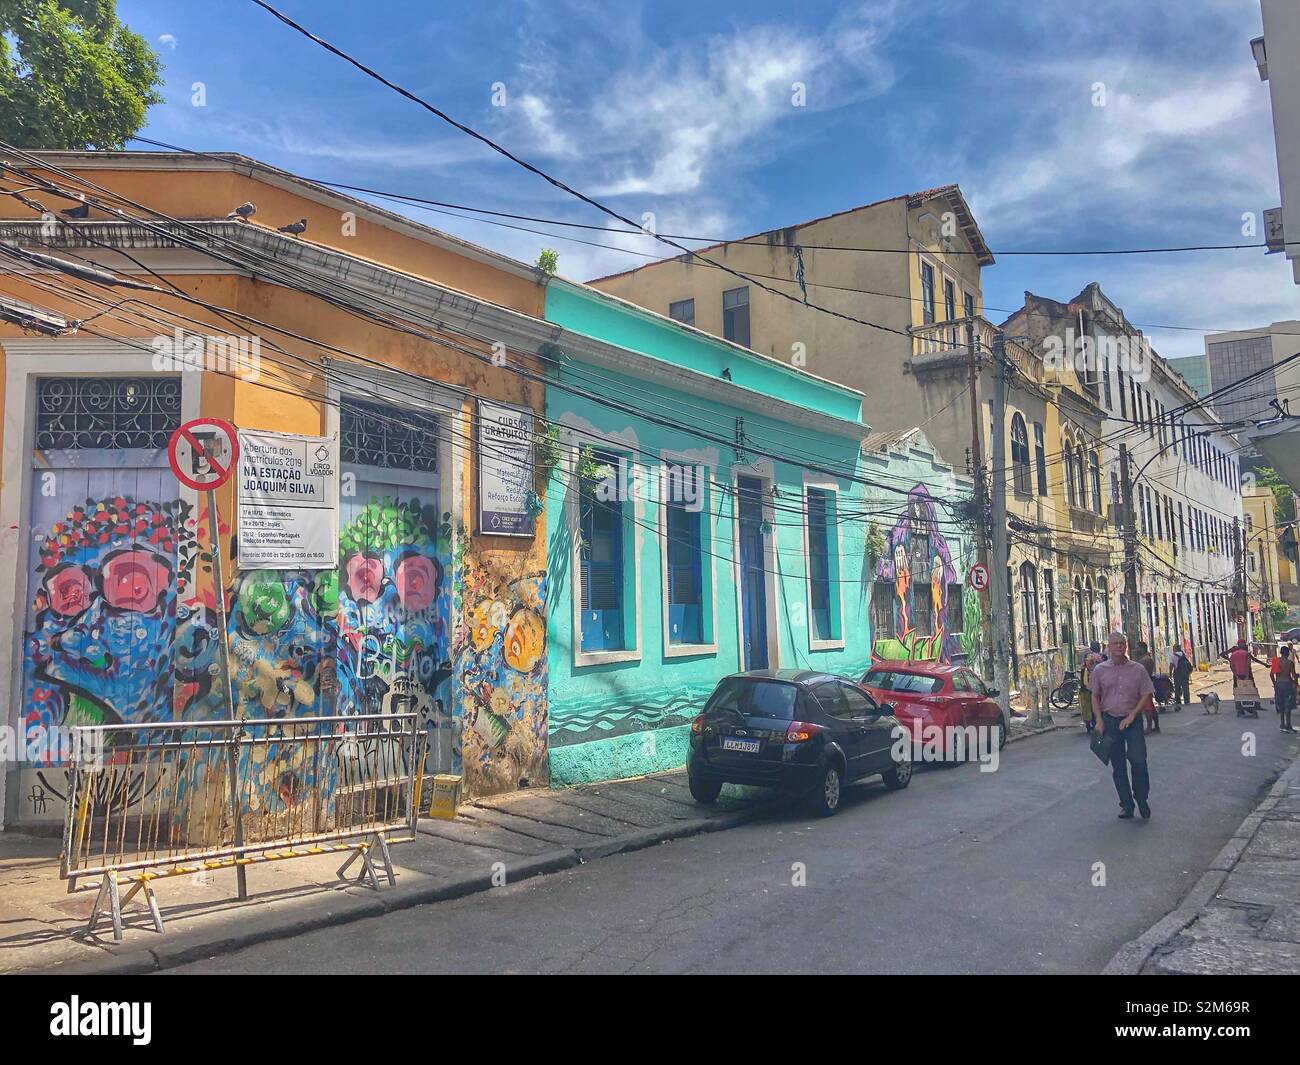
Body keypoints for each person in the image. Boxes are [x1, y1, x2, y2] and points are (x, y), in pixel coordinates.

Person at [1091, 631, 1155, 819]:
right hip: (1110, 722)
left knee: (1138, 761)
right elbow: (1094, 695)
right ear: (1109, 647)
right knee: (1118, 767)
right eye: (1115, 643)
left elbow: (1146, 693)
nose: (1119, 646)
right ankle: (1126, 805)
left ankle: (1141, 799)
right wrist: (1099, 721)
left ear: (1126, 646)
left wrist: (1133, 715)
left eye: (1122, 643)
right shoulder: (1100, 670)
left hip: (1132, 722)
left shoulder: (1138, 669)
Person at [1135, 641, 1161, 734]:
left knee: (1148, 708)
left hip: (1144, 686)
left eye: (1137, 647)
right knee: (1151, 707)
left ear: (1142, 648)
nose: (1136, 649)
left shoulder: (1145, 660)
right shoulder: (1145, 659)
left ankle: (1149, 727)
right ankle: (1156, 726)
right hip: (1146, 685)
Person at [1079, 641, 1103, 733]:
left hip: (1089, 683)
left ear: (1091, 648)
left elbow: (1083, 670)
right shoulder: (1104, 657)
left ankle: (1092, 723)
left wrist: (1082, 685)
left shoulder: (1088, 657)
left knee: (1089, 704)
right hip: (1102, 683)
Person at [1274, 646, 1297, 733]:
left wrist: (1274, 683)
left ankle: (1282, 724)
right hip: (1287, 684)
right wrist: (1296, 683)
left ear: (1280, 653)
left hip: (1279, 684)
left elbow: (1271, 674)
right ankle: (1288, 725)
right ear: (1288, 653)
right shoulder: (1290, 663)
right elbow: (1294, 676)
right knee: (1288, 705)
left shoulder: (1276, 661)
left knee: (1281, 705)